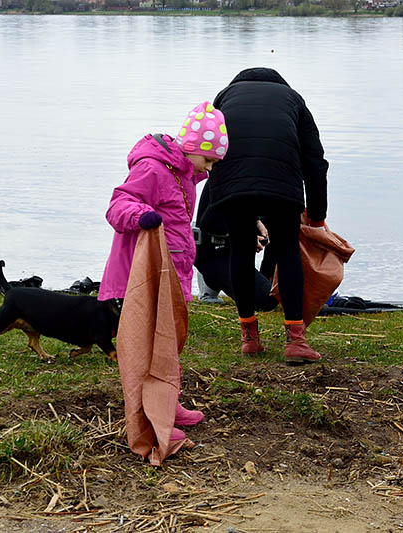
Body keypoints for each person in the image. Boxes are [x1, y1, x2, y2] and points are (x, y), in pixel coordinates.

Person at [98, 101, 229, 441]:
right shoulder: (153, 169)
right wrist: (141, 215)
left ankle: (168, 402)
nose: (210, 169)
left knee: (168, 345)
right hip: (145, 277)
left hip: (172, 272)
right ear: (192, 147)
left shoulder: (185, 175)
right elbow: (118, 205)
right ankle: (150, 418)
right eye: (208, 160)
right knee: (146, 348)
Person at [207, 67, 329, 362]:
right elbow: (315, 160)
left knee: (240, 249)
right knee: (288, 251)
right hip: (282, 183)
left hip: (232, 183)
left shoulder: (224, 97)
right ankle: (296, 341)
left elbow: (210, 146)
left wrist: (218, 198)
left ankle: (249, 338)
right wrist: (316, 215)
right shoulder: (293, 99)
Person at [193, 184, 278, 312]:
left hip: (231, 239)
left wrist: (256, 222)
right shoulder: (226, 176)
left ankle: (268, 281)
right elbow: (209, 223)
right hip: (214, 247)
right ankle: (210, 280)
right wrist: (245, 235)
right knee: (267, 301)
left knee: (280, 215)